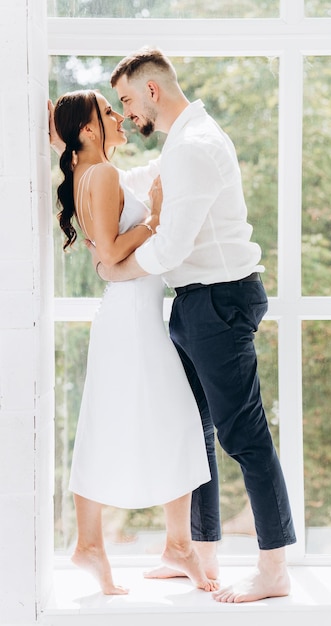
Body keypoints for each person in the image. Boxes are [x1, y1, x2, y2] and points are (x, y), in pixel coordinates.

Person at [85, 47, 297, 604]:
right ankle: (198, 555)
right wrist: (78, 162)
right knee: (194, 429)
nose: (127, 113)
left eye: (128, 100)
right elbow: (130, 185)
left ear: (152, 91)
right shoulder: (181, 145)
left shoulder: (195, 147)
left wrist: (114, 267)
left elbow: (172, 243)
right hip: (196, 302)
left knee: (242, 436)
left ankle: (274, 569)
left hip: (220, 301)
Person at [50, 89, 218, 595]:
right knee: (175, 423)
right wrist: (156, 220)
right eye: (108, 112)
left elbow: (107, 258)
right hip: (130, 321)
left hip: (135, 317)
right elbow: (112, 255)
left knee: (148, 423)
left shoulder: (98, 173)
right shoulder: (99, 174)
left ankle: (148, 545)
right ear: (87, 130)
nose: (120, 117)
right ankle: (112, 545)